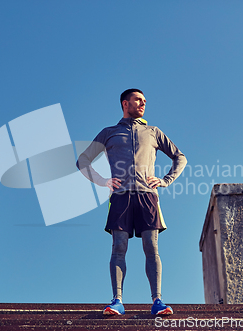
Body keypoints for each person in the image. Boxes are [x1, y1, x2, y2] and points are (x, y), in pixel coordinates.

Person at [76, 88, 187, 315]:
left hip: (147, 196)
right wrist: (102, 180)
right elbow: (83, 160)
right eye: (138, 100)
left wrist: (166, 180)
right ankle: (117, 300)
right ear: (125, 104)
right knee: (119, 248)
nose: (143, 103)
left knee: (151, 247)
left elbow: (180, 157)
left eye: (144, 101)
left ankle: (158, 301)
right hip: (120, 196)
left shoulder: (153, 132)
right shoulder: (109, 133)